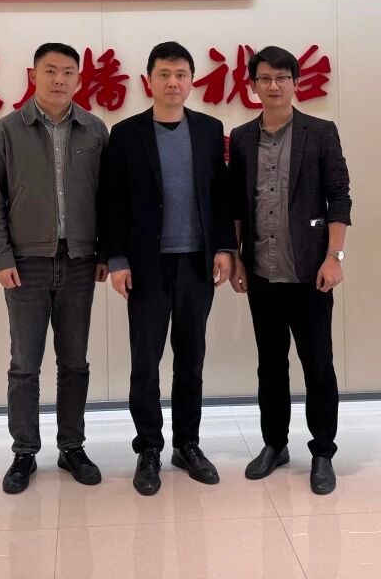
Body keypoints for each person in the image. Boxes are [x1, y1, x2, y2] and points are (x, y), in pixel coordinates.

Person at [98, 41, 237, 496]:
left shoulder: (210, 130)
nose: (172, 82)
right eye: (164, 74)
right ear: (149, 81)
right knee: (146, 363)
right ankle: (149, 448)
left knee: (191, 361)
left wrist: (224, 247)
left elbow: (220, 196)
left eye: (180, 74)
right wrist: (117, 260)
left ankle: (187, 444)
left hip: (197, 263)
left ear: (191, 81)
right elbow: (112, 202)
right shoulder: (126, 134)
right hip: (146, 266)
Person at [0, 42, 110, 494]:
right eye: (50, 70)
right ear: (33, 75)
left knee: (74, 362)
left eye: (68, 71)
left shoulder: (94, 130)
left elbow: (108, 199)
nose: (59, 79)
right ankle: (24, 452)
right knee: (24, 365)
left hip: (79, 263)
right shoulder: (8, 130)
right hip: (25, 265)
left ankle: (72, 446)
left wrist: (104, 253)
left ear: (79, 78)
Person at [227, 45, 351, 495]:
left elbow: (339, 196)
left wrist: (334, 257)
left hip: (310, 272)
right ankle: (275, 445)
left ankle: (322, 452)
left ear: (296, 83)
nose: (274, 85)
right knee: (270, 366)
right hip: (262, 272)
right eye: (265, 78)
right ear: (253, 85)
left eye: (282, 77)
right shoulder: (242, 137)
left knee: (318, 365)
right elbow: (236, 204)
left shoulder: (320, 132)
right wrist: (237, 257)